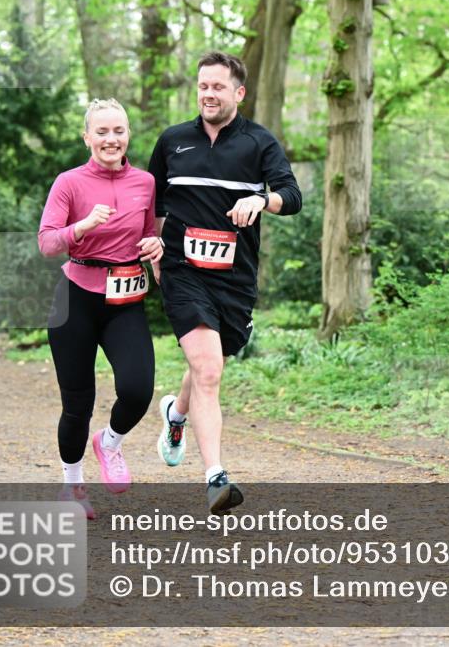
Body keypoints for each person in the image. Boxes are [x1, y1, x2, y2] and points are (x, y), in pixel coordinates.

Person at [148, 51, 301, 514]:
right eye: (202, 86)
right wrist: (152, 249)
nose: (208, 94)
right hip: (182, 270)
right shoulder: (173, 141)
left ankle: (176, 415)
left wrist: (263, 201)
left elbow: (292, 195)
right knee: (209, 370)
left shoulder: (259, 143)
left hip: (235, 277)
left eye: (218, 86)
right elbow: (151, 204)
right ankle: (216, 476)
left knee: (211, 362)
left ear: (238, 93)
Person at [39, 98, 163, 519]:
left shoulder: (145, 182)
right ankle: (72, 488)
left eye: (119, 131)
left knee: (138, 388)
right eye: (103, 132)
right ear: (87, 137)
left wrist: (155, 245)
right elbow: (47, 242)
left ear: (128, 134)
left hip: (124, 299)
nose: (112, 139)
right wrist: (83, 226)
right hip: (75, 297)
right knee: (78, 403)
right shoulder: (69, 182)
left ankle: (109, 442)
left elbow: (150, 233)